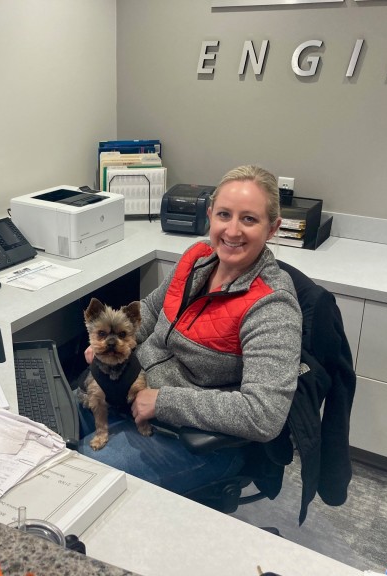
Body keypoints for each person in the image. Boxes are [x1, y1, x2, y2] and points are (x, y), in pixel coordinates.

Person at [77, 165, 303, 495]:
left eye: (249, 219)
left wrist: (164, 402)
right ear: (210, 215)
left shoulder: (272, 307)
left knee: (83, 473)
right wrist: (113, 345)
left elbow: (264, 415)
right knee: (51, 427)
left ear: (273, 228)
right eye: (224, 214)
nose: (233, 230)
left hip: (192, 438)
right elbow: (153, 310)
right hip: (128, 391)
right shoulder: (198, 259)